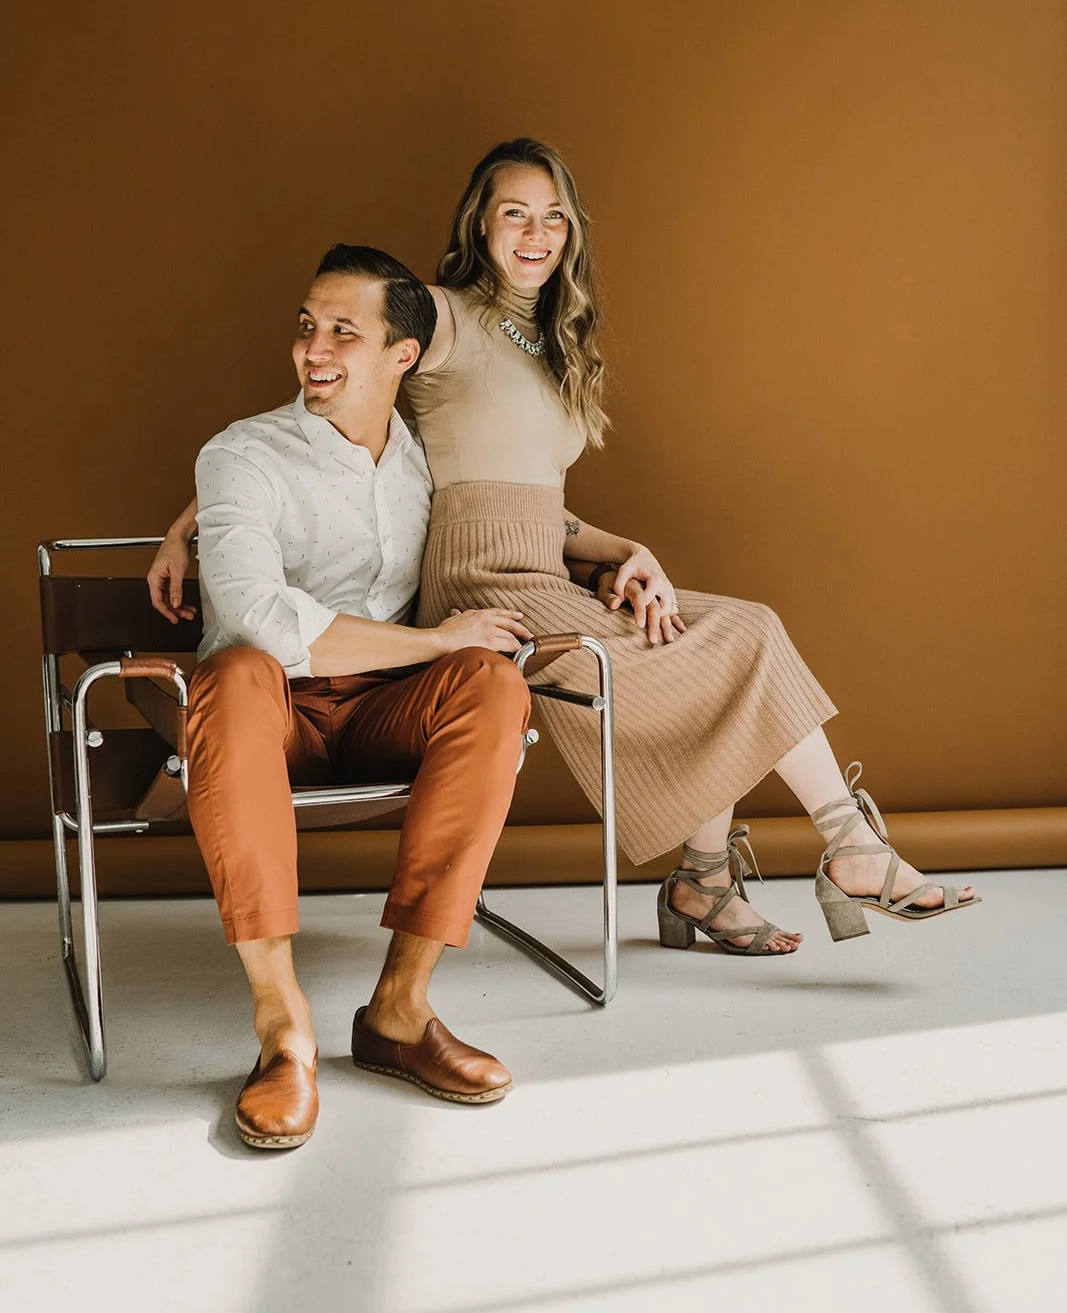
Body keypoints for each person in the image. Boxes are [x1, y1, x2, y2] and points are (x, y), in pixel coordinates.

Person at [152, 141, 979, 963]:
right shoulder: (443, 313)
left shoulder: (556, 343)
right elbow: (325, 388)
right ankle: (836, 848)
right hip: (477, 580)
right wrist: (192, 520)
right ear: (479, 224)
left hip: (543, 562)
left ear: (572, 229)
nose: (534, 233)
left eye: (553, 216)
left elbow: (533, 495)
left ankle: (708, 879)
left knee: (735, 631)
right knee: (707, 658)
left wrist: (627, 549)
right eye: (513, 213)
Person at [186, 244, 534, 1150]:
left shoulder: (422, 462)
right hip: (270, 715)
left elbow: (526, 511)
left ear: (401, 357)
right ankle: (281, 1029)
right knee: (231, 675)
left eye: (345, 331)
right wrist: (433, 640)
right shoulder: (240, 455)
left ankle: (399, 1013)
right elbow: (261, 618)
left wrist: (619, 554)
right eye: (307, 326)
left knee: (493, 683)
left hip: (383, 712)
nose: (314, 348)